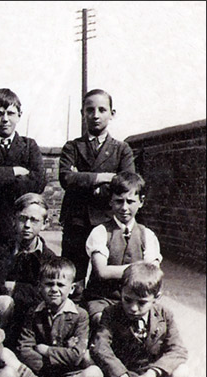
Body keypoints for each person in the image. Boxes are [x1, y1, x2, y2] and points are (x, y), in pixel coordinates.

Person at [59, 88, 136, 289]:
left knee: (104, 278)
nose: (95, 115)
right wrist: (102, 178)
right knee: (71, 277)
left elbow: (126, 184)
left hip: (107, 220)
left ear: (112, 113)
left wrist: (83, 180)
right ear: (82, 113)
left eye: (102, 109)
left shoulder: (122, 149)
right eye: (89, 109)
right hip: (76, 220)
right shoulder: (72, 147)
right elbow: (66, 178)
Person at [91, 263, 189, 377]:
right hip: (122, 373)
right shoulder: (111, 313)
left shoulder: (165, 315)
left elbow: (178, 350)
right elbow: (101, 347)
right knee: (89, 360)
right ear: (121, 292)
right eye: (127, 299)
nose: (133, 308)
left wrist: (152, 373)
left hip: (149, 373)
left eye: (142, 303)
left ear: (156, 297)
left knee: (182, 373)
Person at [12, 257, 103, 377]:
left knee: (95, 374)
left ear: (72, 288)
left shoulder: (80, 315)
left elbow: (77, 355)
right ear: (40, 287)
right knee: (7, 355)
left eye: (60, 285)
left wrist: (46, 350)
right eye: (49, 284)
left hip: (68, 374)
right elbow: (24, 349)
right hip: (40, 373)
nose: (54, 289)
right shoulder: (33, 313)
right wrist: (60, 356)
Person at [84, 172, 161, 327]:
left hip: (136, 300)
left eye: (130, 201)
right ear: (111, 202)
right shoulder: (100, 232)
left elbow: (153, 273)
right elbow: (103, 271)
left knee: (156, 324)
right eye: (119, 201)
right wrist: (141, 268)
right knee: (104, 321)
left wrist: (148, 272)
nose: (124, 208)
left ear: (141, 202)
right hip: (103, 299)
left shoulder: (147, 235)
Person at [0, 88, 45, 243]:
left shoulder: (29, 146)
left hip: (21, 223)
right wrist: (15, 171)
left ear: (19, 115)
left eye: (10, 113)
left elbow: (38, 182)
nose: (5, 119)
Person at [0, 193, 56, 349]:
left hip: (32, 317)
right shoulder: (1, 252)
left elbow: (44, 293)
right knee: (3, 302)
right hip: (3, 315)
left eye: (34, 220)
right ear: (14, 220)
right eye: (23, 218)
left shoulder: (49, 258)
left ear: (45, 223)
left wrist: (15, 288)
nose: (27, 225)